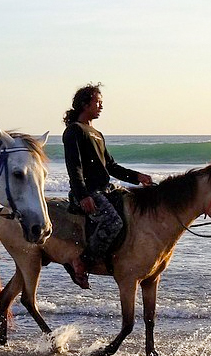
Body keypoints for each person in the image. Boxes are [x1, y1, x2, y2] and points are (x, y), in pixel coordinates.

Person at [61, 82, 153, 289]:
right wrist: (83, 195)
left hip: (105, 189)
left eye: (101, 103)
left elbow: (110, 166)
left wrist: (138, 177)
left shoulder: (97, 134)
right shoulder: (74, 131)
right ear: (85, 104)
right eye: (98, 102)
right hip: (88, 192)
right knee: (113, 222)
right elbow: (73, 167)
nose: (101, 106)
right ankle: (84, 261)